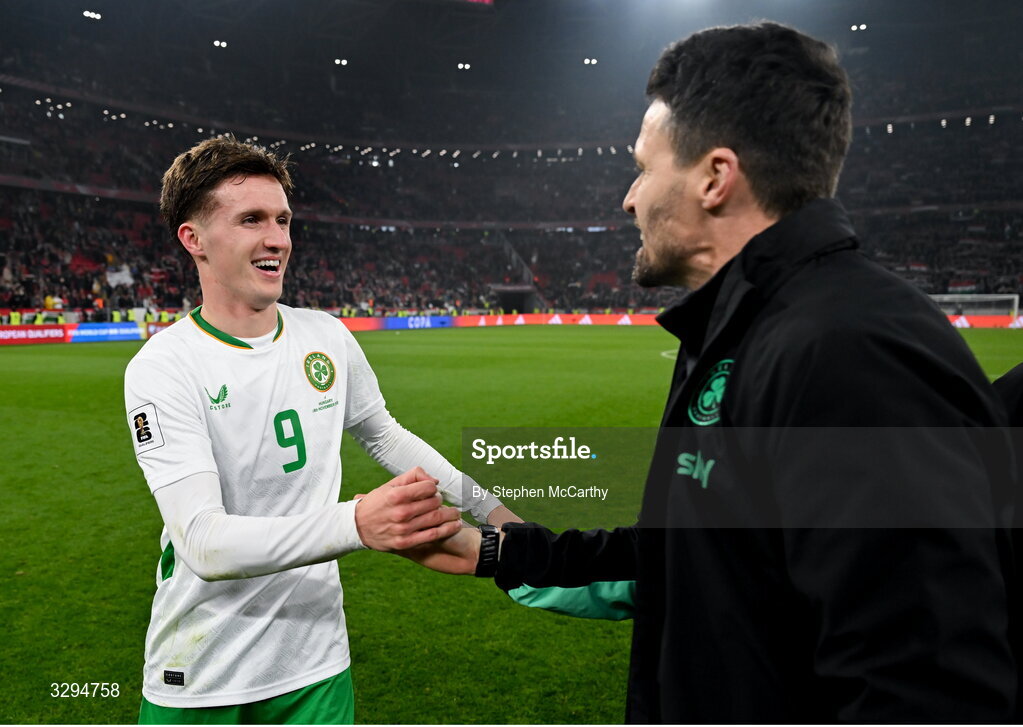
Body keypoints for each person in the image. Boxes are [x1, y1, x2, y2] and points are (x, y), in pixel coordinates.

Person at [409, 22, 1016, 723]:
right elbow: (691, 557)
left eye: (642, 167)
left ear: (714, 177)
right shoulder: (745, 329)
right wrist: (503, 553)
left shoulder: (849, 351)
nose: (629, 199)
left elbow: (924, 689)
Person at [124, 137, 520, 724]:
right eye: (251, 219)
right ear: (194, 239)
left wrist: (493, 511)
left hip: (316, 663)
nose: (278, 239)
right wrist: (356, 522)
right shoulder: (164, 366)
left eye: (283, 219)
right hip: (202, 674)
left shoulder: (326, 336)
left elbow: (384, 435)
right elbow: (203, 542)